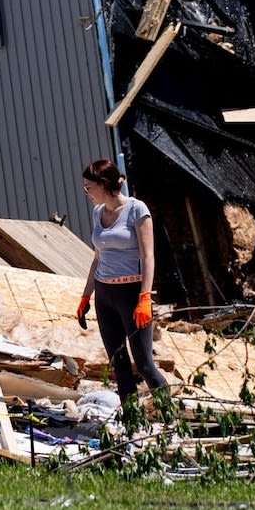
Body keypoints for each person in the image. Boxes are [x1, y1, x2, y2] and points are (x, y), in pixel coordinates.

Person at [76, 158, 168, 400]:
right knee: (119, 363)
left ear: (104, 184)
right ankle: (130, 422)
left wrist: (145, 297)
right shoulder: (98, 213)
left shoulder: (137, 210)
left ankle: (171, 417)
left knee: (145, 364)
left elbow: (149, 256)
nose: (87, 193)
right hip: (105, 296)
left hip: (131, 294)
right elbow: (98, 258)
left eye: (89, 187)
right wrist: (86, 296)